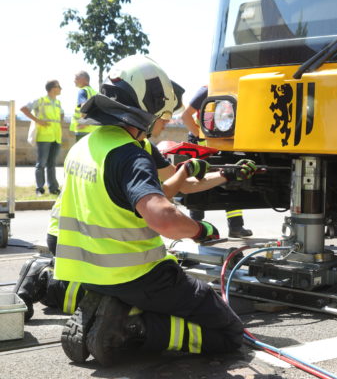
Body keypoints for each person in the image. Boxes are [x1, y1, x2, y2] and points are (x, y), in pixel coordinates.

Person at [51, 55, 257, 366]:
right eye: (163, 115)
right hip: (138, 274)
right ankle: (134, 328)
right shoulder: (131, 156)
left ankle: (120, 309)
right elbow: (162, 214)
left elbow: (175, 183)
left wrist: (227, 174)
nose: (166, 122)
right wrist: (200, 231)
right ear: (146, 110)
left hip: (87, 274)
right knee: (230, 335)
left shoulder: (86, 147)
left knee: (168, 300)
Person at [181, 86, 253, 238]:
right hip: (201, 147)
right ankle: (193, 226)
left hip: (223, 144)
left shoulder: (237, 91)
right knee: (199, 182)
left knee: (232, 180)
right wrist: (200, 136)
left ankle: (236, 227)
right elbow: (186, 116)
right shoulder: (206, 91)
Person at [20, 80, 64, 196]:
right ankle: (39, 188)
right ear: (53, 88)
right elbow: (24, 108)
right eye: (59, 86)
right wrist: (38, 121)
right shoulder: (41, 100)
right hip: (44, 136)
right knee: (41, 164)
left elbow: (62, 114)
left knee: (52, 164)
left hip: (56, 136)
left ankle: (53, 188)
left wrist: (60, 121)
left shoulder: (58, 102)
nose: (61, 89)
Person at [70, 70, 97, 142]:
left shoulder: (82, 91)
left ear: (83, 79)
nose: (74, 81)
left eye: (76, 78)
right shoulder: (95, 93)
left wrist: (84, 123)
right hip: (94, 130)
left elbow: (83, 106)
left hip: (83, 130)